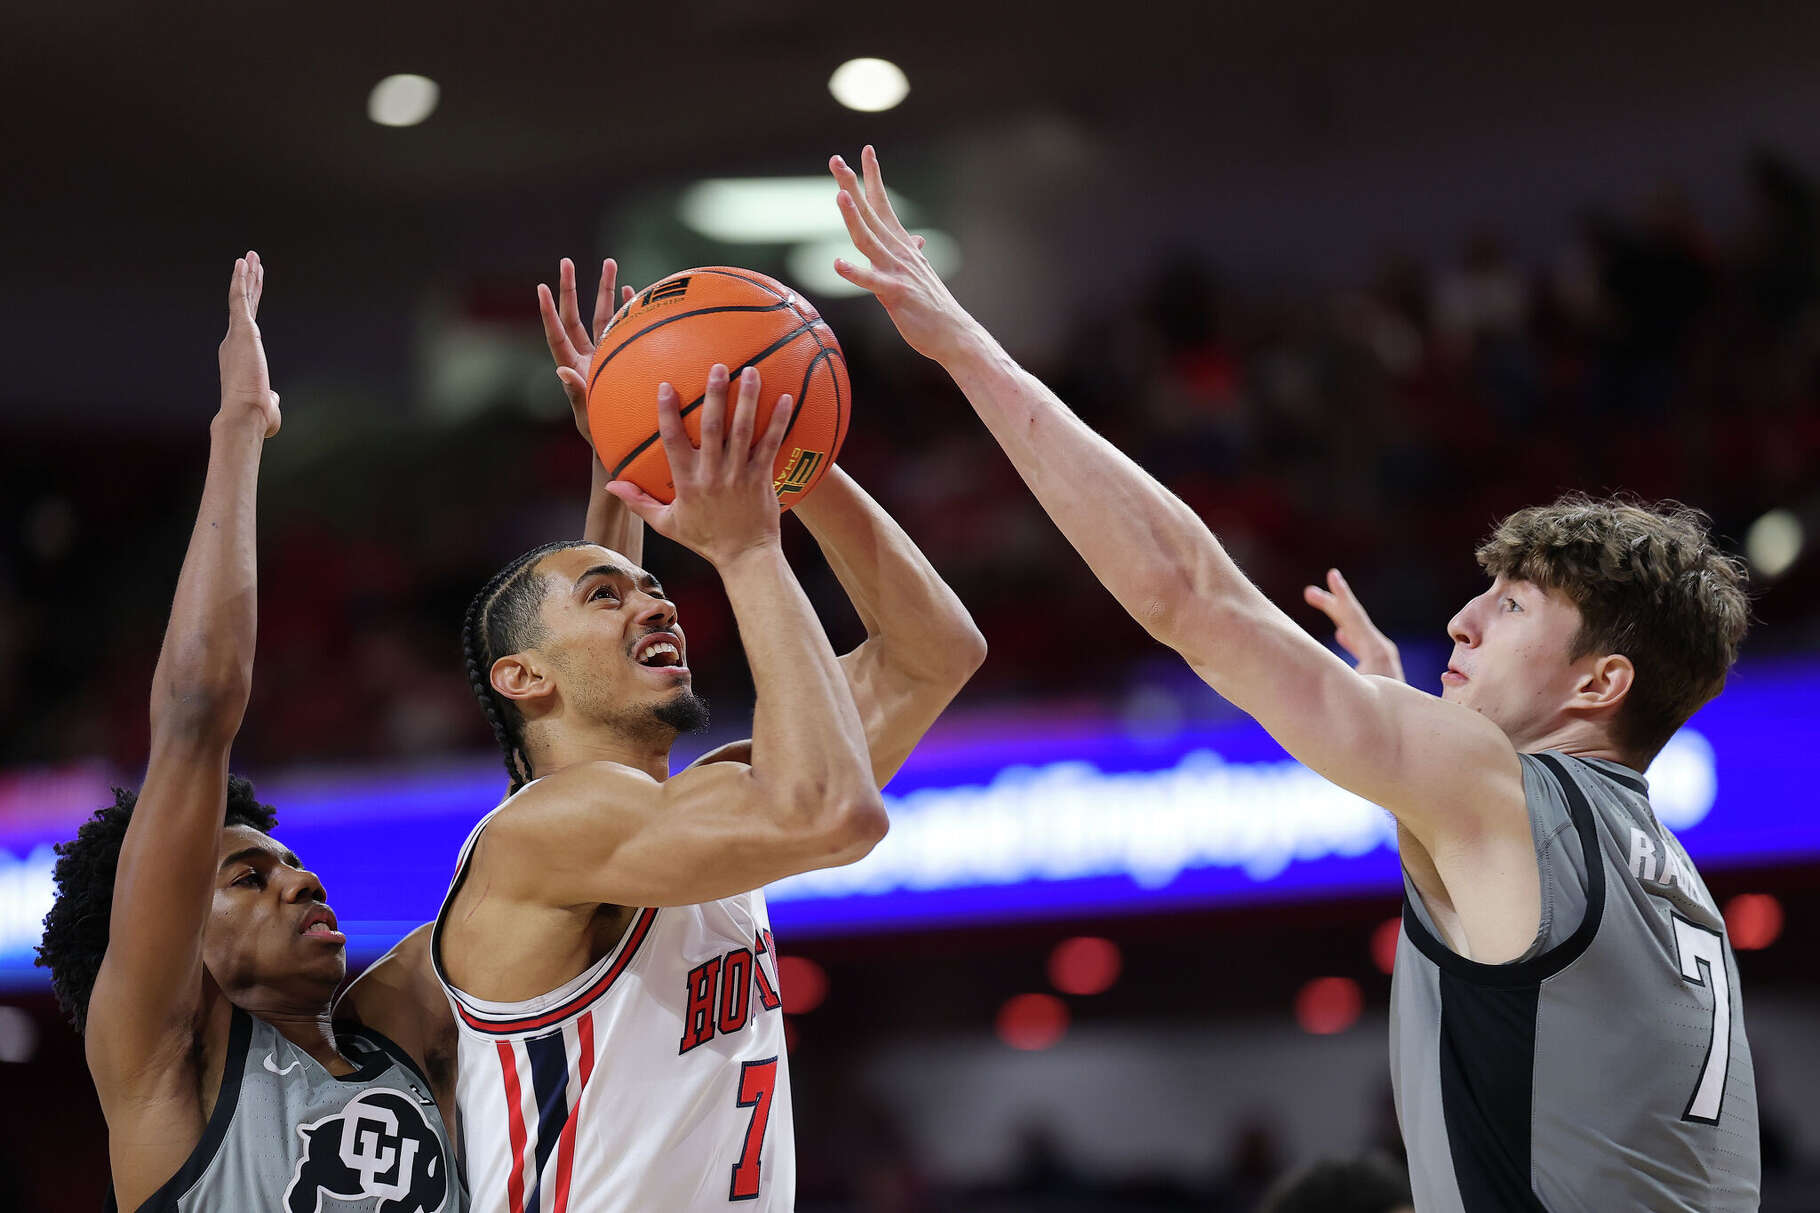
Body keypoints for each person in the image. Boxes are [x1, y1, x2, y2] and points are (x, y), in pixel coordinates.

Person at [829, 145, 1759, 1211]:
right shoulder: (1675, 888)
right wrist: (1393, 730)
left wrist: (966, 351)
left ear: (1597, 683)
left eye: (1507, 608)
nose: (1460, 617)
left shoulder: (1497, 790)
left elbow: (1190, 594)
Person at [423, 257, 984, 1211]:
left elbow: (935, 653)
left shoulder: (700, 809)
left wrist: (781, 449)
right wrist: (747, 542)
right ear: (522, 679)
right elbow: (834, 813)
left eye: (657, 587)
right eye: (609, 596)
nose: (660, 604)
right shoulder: (543, 833)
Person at [35, 254, 462, 1213]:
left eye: (281, 863)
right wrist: (239, 432)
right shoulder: (163, 1067)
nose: (301, 878)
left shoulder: (402, 1025)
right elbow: (193, 717)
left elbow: (563, 839)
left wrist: (619, 485)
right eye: (248, 876)